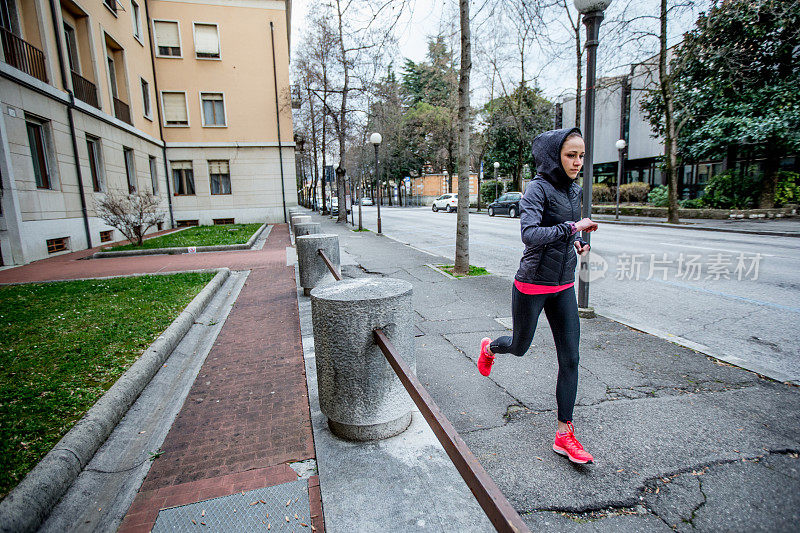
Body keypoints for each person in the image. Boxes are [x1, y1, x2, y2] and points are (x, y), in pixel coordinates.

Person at [477, 127, 598, 464]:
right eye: (570, 155)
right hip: (531, 284)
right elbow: (530, 235)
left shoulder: (573, 192)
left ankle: (564, 434)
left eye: (581, 156)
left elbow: (563, 232)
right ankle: (490, 347)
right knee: (519, 346)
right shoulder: (536, 189)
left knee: (571, 359)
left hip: (563, 287)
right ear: (554, 156)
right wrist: (574, 228)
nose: (577, 162)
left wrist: (577, 244)